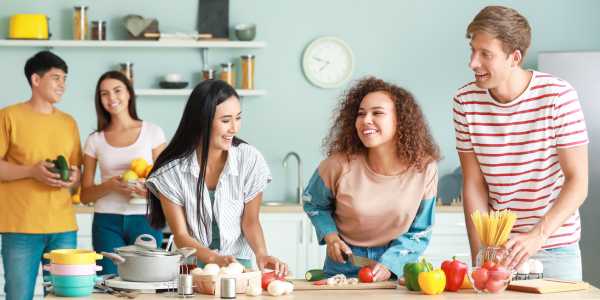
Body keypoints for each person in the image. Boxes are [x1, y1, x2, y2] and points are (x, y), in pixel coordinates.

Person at [454, 6, 589, 280]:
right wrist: (481, 256)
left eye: (485, 54)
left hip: (555, 248)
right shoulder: (465, 101)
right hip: (498, 252)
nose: (473, 63)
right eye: (472, 51)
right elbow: (474, 184)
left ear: (514, 58)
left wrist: (536, 237)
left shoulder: (557, 97)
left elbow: (578, 181)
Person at [303, 77, 440, 281]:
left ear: (400, 120)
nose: (366, 120)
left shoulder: (425, 168)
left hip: (397, 266)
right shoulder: (337, 165)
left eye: (377, 113)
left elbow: (420, 230)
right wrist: (330, 237)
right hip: (344, 263)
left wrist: (390, 264)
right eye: (361, 113)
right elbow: (312, 202)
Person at [146, 80, 287, 276]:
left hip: (238, 264)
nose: (234, 128)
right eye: (226, 120)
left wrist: (262, 254)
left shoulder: (249, 159)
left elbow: (250, 221)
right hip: (191, 267)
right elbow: (181, 235)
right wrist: (214, 259)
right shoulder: (171, 172)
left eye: (238, 118)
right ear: (202, 120)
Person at [0, 51, 81, 300]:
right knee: (18, 296)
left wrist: (73, 177)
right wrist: (31, 172)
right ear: (36, 80)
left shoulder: (69, 122)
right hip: (20, 227)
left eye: (64, 79)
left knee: (64, 296)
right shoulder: (9, 116)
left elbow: (77, 173)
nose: (62, 85)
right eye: (56, 78)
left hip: (64, 227)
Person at [80, 71, 166, 275]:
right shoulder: (95, 140)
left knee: (146, 283)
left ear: (129, 93)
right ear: (99, 100)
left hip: (145, 218)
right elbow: (84, 195)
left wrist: (147, 193)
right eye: (104, 93)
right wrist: (109, 185)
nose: (111, 98)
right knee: (107, 284)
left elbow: (167, 187)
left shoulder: (153, 133)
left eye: (117, 90)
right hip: (106, 221)